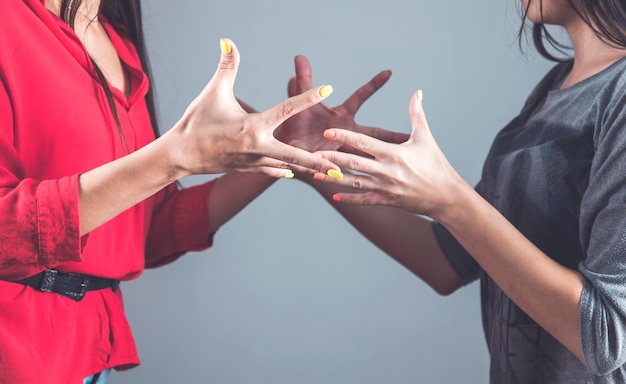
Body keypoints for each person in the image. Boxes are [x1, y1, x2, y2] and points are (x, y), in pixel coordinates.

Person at [0, 0, 396, 382]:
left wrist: (281, 150)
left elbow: (140, 233)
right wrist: (175, 157)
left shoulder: (117, 42)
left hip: (87, 355)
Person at [278, 0, 626, 382]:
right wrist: (317, 163)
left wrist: (451, 200)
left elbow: (607, 337)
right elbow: (446, 260)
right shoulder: (557, 87)